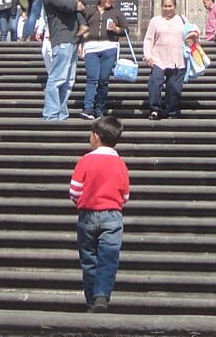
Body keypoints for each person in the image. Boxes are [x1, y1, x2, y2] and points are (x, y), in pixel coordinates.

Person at [70, 116, 131, 313]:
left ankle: (90, 300)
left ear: (96, 136)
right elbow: (126, 194)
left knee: (89, 259)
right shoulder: (120, 164)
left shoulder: (85, 160)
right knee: (108, 258)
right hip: (112, 215)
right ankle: (102, 296)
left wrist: (80, 201)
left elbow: (74, 191)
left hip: (88, 214)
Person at [41, 0, 83, 121]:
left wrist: (75, 2)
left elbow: (78, 8)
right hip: (62, 38)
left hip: (72, 38)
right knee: (58, 77)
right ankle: (51, 114)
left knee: (68, 80)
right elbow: (69, 6)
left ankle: (61, 112)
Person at [80, 0, 125, 120]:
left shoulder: (116, 12)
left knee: (103, 79)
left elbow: (125, 30)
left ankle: (99, 108)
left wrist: (117, 29)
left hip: (109, 47)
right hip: (91, 47)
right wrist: (81, 42)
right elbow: (82, 26)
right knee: (92, 77)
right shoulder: (89, 11)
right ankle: (88, 107)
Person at [142, 0, 187, 120]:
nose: (168, 9)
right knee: (155, 82)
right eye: (165, 6)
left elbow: (190, 35)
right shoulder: (155, 21)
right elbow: (148, 39)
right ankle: (155, 109)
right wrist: (148, 55)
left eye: (170, 6)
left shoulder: (182, 20)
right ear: (161, 7)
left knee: (174, 87)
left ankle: (171, 111)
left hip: (178, 59)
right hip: (158, 58)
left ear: (175, 7)